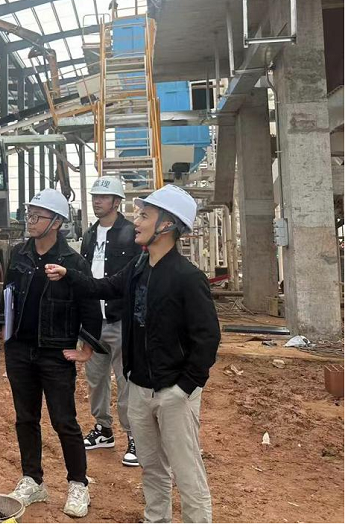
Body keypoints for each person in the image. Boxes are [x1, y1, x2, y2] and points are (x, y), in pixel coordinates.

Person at [46, 184, 221, 523]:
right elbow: (105, 286)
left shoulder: (188, 278)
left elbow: (207, 339)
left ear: (166, 225)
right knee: (152, 467)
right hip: (139, 388)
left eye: (144, 215)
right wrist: (69, 275)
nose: (136, 221)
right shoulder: (140, 267)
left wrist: (184, 388)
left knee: (186, 472)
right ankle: (156, 519)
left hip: (174, 393)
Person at [0, 188, 102, 518]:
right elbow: (8, 293)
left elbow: (89, 306)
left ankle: (78, 483)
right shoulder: (19, 254)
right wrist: (3, 327)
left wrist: (87, 348)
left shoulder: (72, 262)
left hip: (55, 353)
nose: (30, 220)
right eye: (29, 214)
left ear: (56, 222)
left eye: (37, 216)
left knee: (64, 420)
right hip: (19, 351)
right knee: (26, 418)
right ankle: (32, 480)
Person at [79, 176, 141, 466]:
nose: (97, 201)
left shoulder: (131, 234)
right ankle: (103, 429)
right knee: (95, 379)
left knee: (126, 381)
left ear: (117, 202)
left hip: (120, 319)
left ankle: (134, 435)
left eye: (103, 197)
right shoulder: (89, 235)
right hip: (93, 322)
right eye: (95, 196)